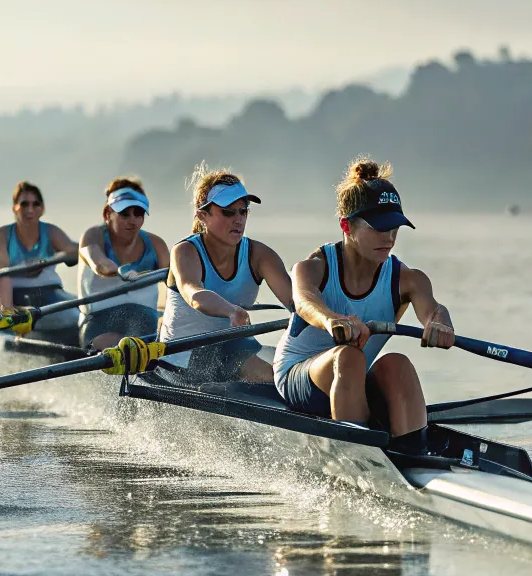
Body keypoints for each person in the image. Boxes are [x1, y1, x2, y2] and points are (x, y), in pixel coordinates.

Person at [272, 157, 455, 453]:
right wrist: (332, 320)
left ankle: (413, 455)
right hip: (299, 378)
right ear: (347, 225)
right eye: (379, 227)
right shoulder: (313, 267)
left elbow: (432, 309)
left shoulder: (409, 280)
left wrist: (440, 321)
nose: (390, 237)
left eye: (395, 226)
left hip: (351, 381)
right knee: (349, 357)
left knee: (398, 364)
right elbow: (305, 302)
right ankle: (356, 457)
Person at [155, 168, 292, 385]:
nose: (238, 220)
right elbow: (194, 294)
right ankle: (292, 392)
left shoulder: (261, 255)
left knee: (292, 362)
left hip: (231, 351)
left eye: (243, 211)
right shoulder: (185, 251)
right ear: (202, 216)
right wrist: (230, 310)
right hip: (180, 361)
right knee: (271, 372)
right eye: (228, 212)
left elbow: (297, 302)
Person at [77, 178, 170, 351]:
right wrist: (121, 271)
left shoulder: (156, 244)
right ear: (107, 214)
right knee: (130, 338)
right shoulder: (93, 235)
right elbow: (100, 264)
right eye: (125, 213)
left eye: (139, 213)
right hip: (98, 322)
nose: (132, 220)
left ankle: (141, 356)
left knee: (145, 327)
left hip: (143, 322)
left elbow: (175, 284)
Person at [0, 181, 80, 341]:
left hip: (51, 293)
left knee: (84, 311)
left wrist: (49, 259)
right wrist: (7, 311)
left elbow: (76, 251)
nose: (30, 210)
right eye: (24, 204)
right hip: (16, 295)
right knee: (71, 316)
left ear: (42, 209)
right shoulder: (0, 236)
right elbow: (2, 274)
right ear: (14, 208)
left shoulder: (51, 232)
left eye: (35, 204)